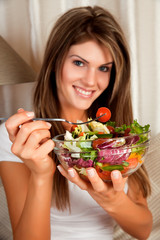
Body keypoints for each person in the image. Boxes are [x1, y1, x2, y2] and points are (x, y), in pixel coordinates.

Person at [0, 5, 152, 240]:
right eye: (79, 63)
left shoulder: (120, 136)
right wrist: (42, 174)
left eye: (103, 68)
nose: (91, 81)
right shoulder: (21, 135)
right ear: (56, 61)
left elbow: (142, 230)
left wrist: (112, 199)